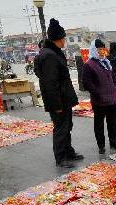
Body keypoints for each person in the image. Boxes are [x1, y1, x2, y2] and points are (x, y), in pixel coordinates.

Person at [35, 18, 83, 168]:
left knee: (67, 126)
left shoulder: (53, 52)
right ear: (57, 39)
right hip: (58, 100)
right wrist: (56, 105)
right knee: (61, 128)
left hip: (64, 98)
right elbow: (51, 83)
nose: (64, 42)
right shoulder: (49, 55)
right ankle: (61, 157)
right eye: (63, 39)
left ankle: (68, 152)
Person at [82, 39, 116, 155]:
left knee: (112, 122)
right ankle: (101, 145)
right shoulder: (88, 65)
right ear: (94, 50)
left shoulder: (106, 62)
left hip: (112, 98)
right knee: (99, 124)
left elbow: (113, 77)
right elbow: (86, 83)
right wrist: (97, 93)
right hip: (99, 100)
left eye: (103, 49)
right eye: (99, 49)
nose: (101, 51)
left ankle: (113, 142)